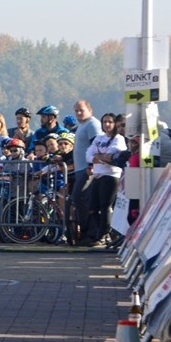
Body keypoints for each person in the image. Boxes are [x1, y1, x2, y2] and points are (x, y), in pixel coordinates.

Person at [82, 112, 126, 247]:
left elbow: (111, 153)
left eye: (110, 122)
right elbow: (88, 154)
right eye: (104, 122)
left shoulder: (119, 138)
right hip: (97, 175)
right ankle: (104, 231)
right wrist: (97, 158)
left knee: (105, 206)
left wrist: (99, 156)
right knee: (91, 207)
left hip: (111, 176)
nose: (107, 124)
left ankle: (102, 235)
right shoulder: (99, 138)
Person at [70, 100, 102, 246]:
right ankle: (85, 233)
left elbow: (97, 146)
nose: (78, 113)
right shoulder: (81, 126)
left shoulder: (92, 124)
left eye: (81, 110)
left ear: (90, 110)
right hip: (79, 168)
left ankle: (93, 233)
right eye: (76, 110)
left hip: (87, 169)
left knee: (81, 198)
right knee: (80, 199)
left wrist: (92, 165)